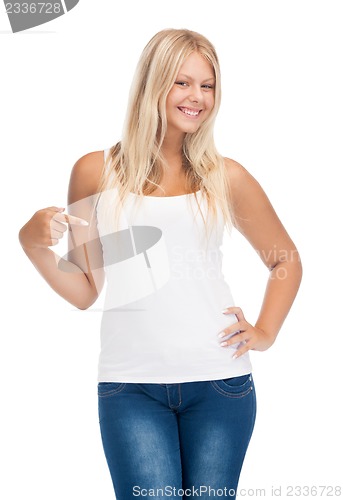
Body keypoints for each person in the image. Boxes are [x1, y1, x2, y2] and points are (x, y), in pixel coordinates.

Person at [18, 28, 302, 499]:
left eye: (206, 85)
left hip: (220, 383)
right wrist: (32, 243)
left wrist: (266, 332)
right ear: (152, 84)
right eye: (182, 82)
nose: (197, 97)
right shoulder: (95, 171)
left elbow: (284, 260)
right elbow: (85, 289)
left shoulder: (225, 176)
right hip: (130, 388)